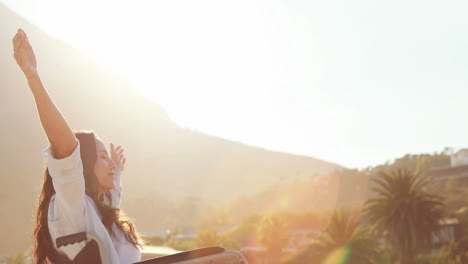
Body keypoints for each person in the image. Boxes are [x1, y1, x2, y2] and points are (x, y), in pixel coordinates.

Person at [12, 29, 142, 264]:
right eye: (102, 157)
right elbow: (66, 150)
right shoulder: (72, 208)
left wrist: (117, 171)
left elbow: (112, 197)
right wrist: (33, 78)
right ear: (82, 165)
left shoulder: (97, 209)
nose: (111, 163)